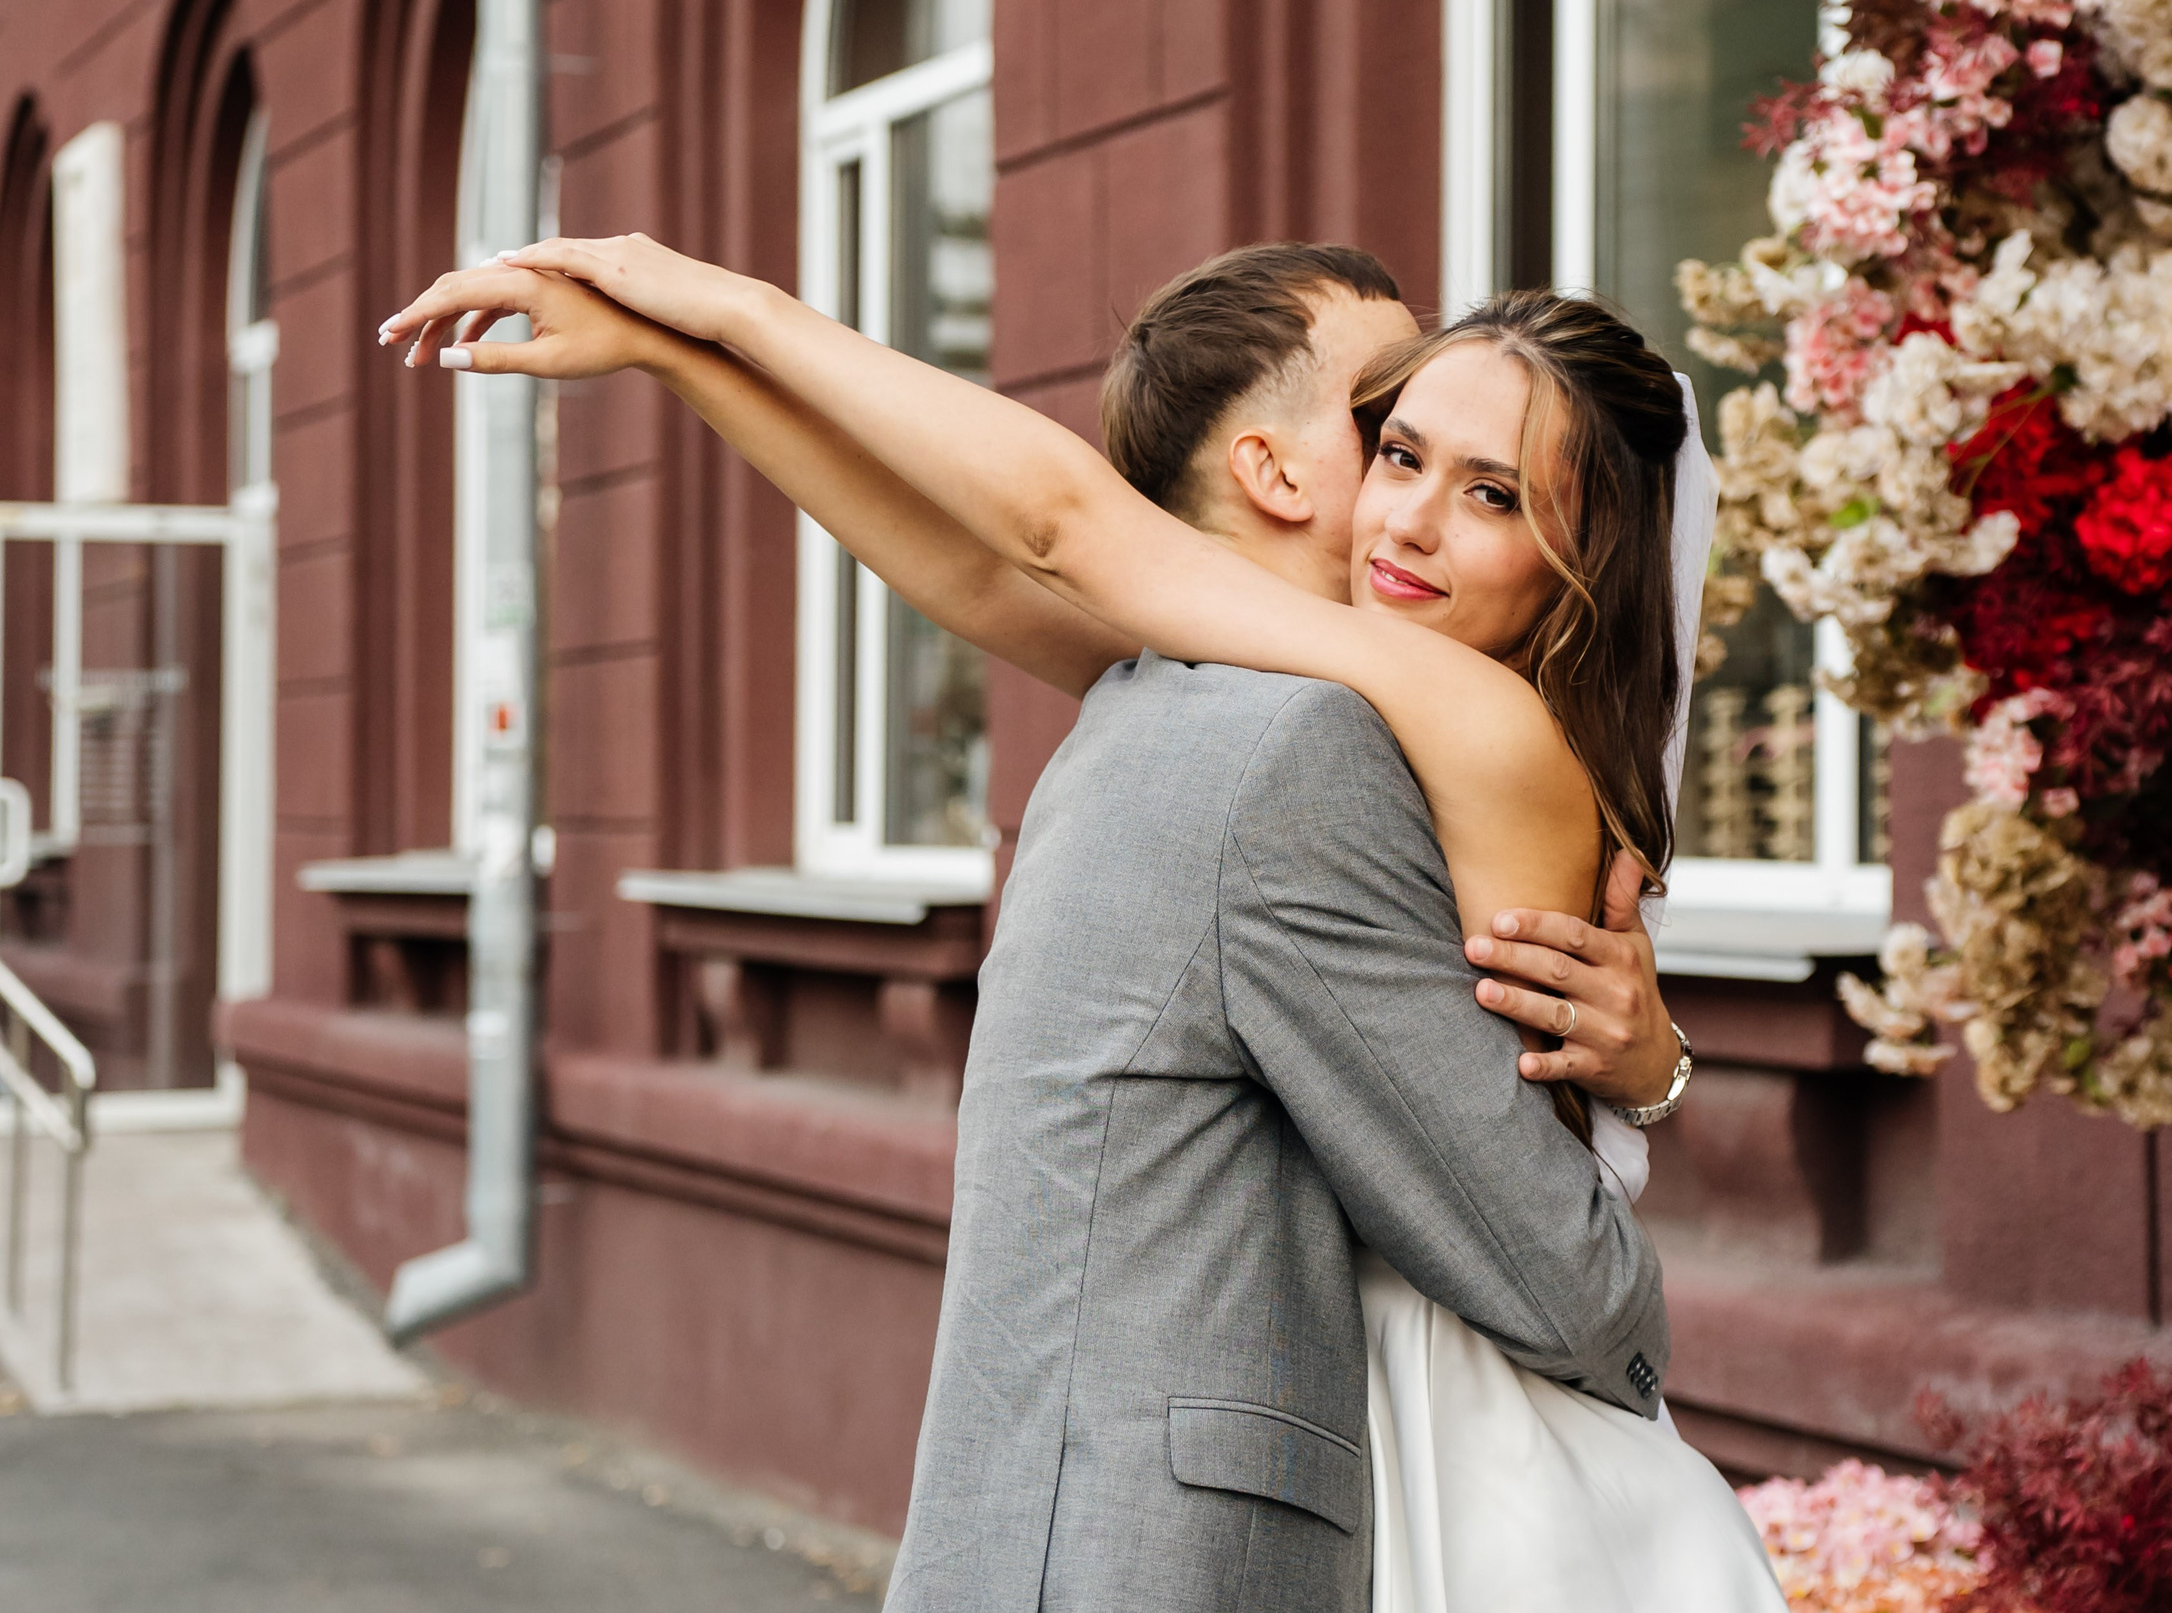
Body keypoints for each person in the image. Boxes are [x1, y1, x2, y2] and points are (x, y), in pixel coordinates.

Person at [381, 244, 1786, 1612]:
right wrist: (684, 347)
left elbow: (1059, 532)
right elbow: (993, 575)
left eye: (1487, 492)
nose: (1401, 513)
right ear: (1280, 467)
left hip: (1485, 1421)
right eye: (1392, 438)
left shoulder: (1434, 715)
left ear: (1578, 549)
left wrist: (721, 309)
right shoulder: (1244, 699)